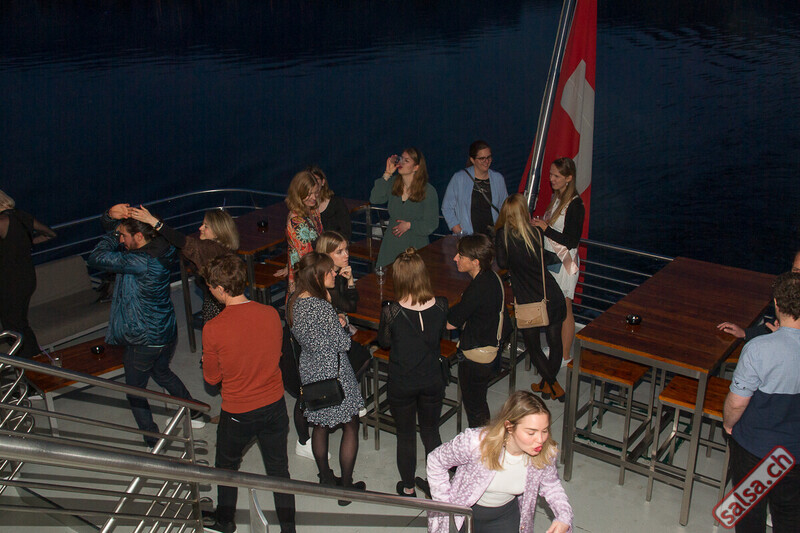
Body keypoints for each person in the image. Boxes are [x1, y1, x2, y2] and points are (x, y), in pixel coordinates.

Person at [87, 203, 204, 447]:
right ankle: (194, 411)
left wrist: (113, 231)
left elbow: (96, 257)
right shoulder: (165, 246)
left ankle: (153, 440)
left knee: (135, 390)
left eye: (124, 236)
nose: (121, 240)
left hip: (143, 338)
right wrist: (111, 217)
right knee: (162, 372)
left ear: (140, 236)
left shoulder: (139, 261)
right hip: (165, 331)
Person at [201, 254, 296, 533]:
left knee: (226, 468)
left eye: (210, 287)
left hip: (238, 412)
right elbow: (274, 355)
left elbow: (211, 378)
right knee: (279, 471)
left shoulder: (213, 328)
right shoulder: (270, 314)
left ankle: (225, 521)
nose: (209, 291)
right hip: (275, 406)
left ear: (221, 289)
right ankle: (288, 528)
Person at [426, 391, 573, 533]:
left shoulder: (545, 452)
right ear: (509, 427)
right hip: (463, 514)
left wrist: (564, 516)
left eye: (544, 431)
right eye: (531, 432)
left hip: (504, 517)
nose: (540, 439)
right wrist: (444, 504)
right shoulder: (476, 443)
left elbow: (552, 486)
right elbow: (436, 460)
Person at [723, 271, 800, 533]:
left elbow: (736, 403)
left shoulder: (759, 349)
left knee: (750, 515)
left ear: (776, 304)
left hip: (756, 450)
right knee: (789, 517)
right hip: (794, 453)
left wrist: (729, 424)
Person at [287, 252, 366, 503]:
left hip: (310, 369)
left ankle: (325, 477)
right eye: (330, 271)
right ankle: (346, 488)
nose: (335, 273)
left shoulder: (294, 300)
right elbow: (343, 344)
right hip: (334, 372)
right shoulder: (321, 307)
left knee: (320, 425)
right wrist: (342, 325)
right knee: (350, 424)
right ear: (318, 276)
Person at [377, 248, 448, 497]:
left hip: (402, 382)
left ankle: (408, 487)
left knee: (405, 435)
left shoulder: (391, 311)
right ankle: (437, 485)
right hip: (432, 379)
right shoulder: (442, 305)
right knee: (431, 431)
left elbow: (384, 342)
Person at [496, 194, 567, 401]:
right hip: (551, 293)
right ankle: (547, 384)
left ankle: (553, 385)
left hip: (529, 299)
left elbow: (502, 263)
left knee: (533, 346)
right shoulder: (536, 232)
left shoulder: (503, 235)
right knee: (555, 343)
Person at [130, 205, 239, 323]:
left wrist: (154, 222)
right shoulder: (223, 247)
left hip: (217, 306)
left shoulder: (210, 249)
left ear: (218, 232)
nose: (200, 228)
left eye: (206, 226)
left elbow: (183, 242)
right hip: (223, 301)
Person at [446, 234, 506, 428]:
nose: (455, 258)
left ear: (475, 262)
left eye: (461, 255)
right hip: (490, 347)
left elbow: (451, 324)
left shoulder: (477, 288)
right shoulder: (492, 277)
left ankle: (481, 443)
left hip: (476, 356)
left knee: (475, 408)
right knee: (479, 402)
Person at [532, 157, 585, 366]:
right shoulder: (557, 198)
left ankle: (564, 354)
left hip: (565, 262)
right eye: (551, 174)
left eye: (556, 176)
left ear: (568, 178)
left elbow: (571, 240)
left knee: (565, 308)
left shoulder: (576, 205)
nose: (551, 179)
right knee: (555, 306)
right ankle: (557, 347)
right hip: (552, 259)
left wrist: (546, 229)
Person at [0, 189, 57, 357]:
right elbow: (51, 234)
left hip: (9, 278)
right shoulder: (22, 216)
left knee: (13, 325)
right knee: (18, 322)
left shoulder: (2, 221)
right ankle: (33, 360)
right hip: (26, 275)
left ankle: (31, 361)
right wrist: (26, 242)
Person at [369, 147, 440, 268]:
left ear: (416, 167)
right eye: (401, 159)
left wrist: (409, 225)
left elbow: (431, 224)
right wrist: (387, 174)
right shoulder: (393, 183)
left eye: (406, 161)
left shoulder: (428, 191)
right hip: (391, 244)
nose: (401, 162)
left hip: (415, 246)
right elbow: (375, 199)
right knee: (386, 277)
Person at [717, 249, 800, 341]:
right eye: (796, 271)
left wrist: (785, 337)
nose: (797, 277)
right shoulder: (790, 294)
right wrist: (745, 333)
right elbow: (774, 324)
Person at [442, 140, 509, 237]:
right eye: (482, 158)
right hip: (468, 238)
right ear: (472, 160)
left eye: (488, 157)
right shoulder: (459, 178)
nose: (486, 161)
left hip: (492, 237)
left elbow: (505, 208)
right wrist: (460, 232)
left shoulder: (498, 179)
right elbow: (447, 207)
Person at [285, 170, 323, 291]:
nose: (314, 197)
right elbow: (306, 257)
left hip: (317, 269)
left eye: (315, 192)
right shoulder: (296, 221)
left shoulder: (313, 210)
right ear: (299, 193)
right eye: (309, 194)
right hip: (305, 277)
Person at [308, 165, 352, 241]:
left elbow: (346, 232)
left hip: (335, 245)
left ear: (323, 182)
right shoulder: (304, 206)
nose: (313, 183)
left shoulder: (336, 203)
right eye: (310, 180)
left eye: (316, 179)